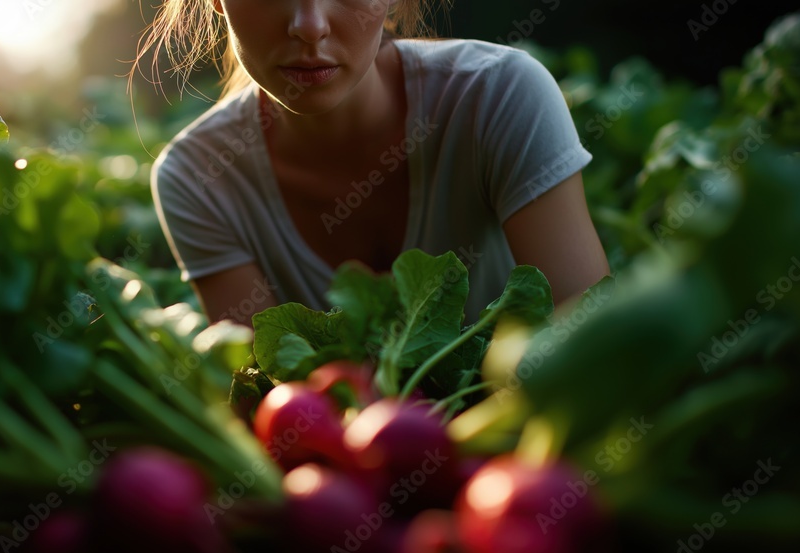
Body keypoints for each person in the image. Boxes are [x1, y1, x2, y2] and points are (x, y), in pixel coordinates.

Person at [143, 0, 610, 326]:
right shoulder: (197, 176)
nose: (310, 25)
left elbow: (592, 349)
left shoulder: (498, 95)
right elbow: (272, 409)